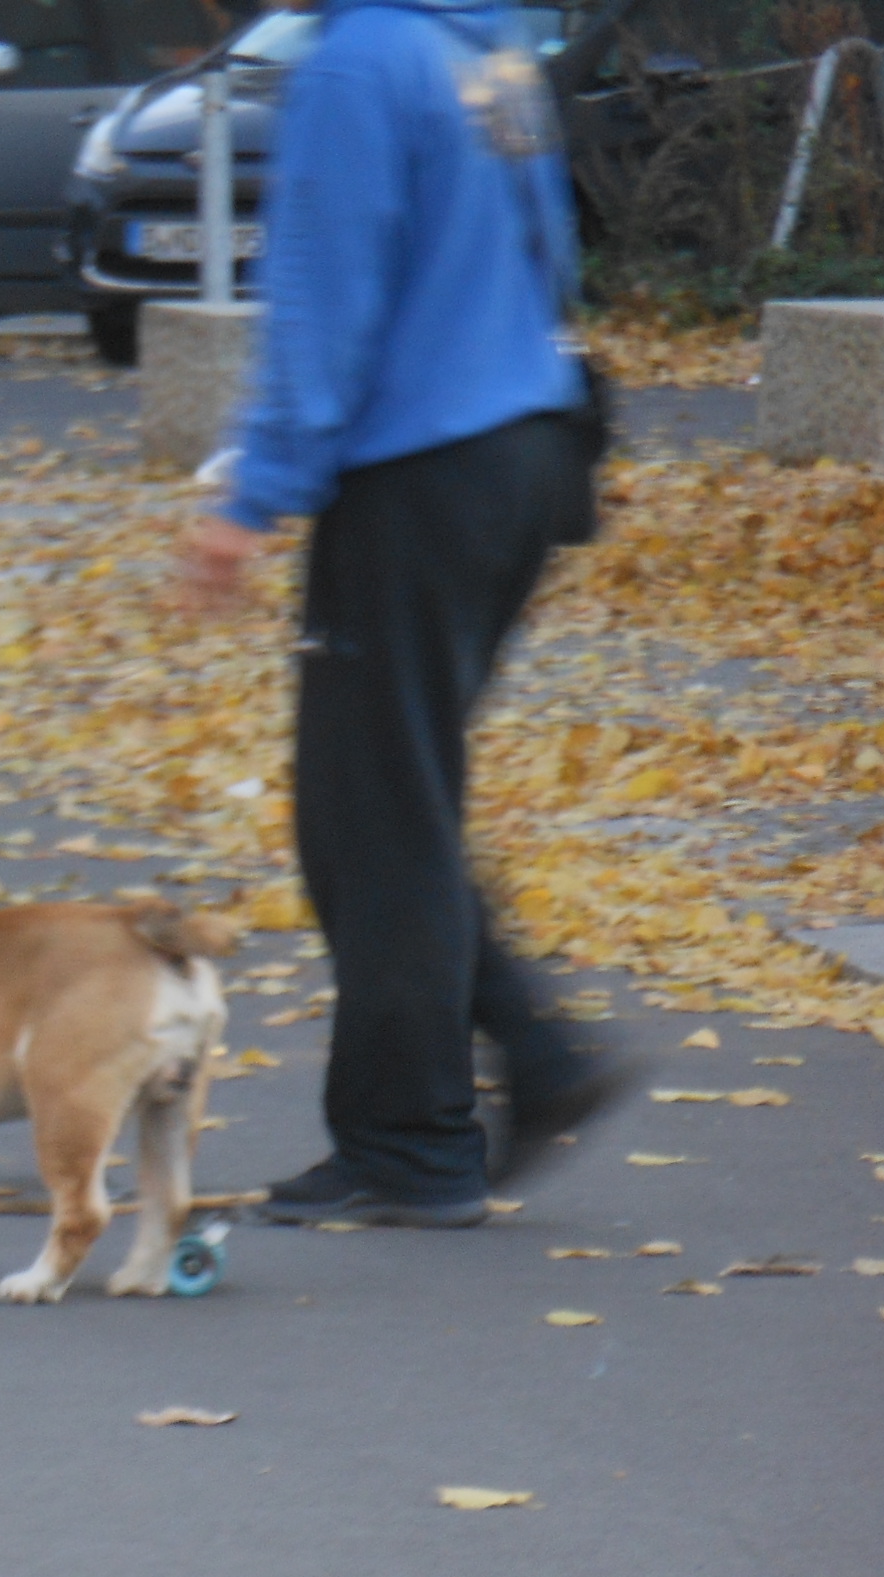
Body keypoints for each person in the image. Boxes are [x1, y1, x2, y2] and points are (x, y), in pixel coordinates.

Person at [176, 0, 632, 1229]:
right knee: (397, 795)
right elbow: (555, 250)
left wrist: (255, 494)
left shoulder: (363, 62)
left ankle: (410, 1145)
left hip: (418, 470)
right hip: (528, 445)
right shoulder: (487, 49)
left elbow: (325, 295)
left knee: (367, 817)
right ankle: (536, 1057)